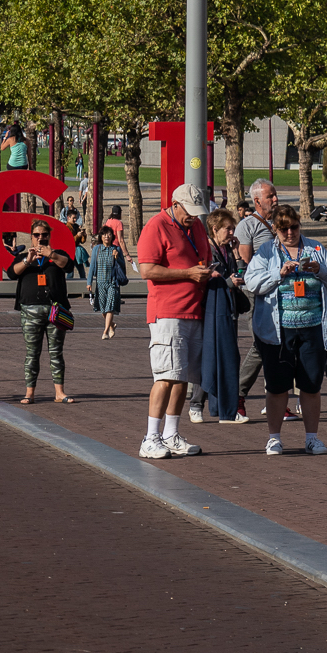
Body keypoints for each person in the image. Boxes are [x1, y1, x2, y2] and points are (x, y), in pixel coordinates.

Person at [244, 204, 327, 456]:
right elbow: (251, 282)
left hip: (312, 329)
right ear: (276, 229)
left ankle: (312, 438)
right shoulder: (266, 251)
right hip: (278, 331)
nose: (290, 233)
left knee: (311, 385)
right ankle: (274, 438)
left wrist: (319, 270)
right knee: (277, 386)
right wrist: (279, 273)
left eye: (294, 227)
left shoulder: (316, 248)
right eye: (284, 229)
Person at [133, 182, 215, 459]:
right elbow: (147, 270)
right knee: (166, 376)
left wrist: (207, 273)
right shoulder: (156, 226)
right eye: (188, 211)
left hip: (194, 310)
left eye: (197, 211)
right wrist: (188, 274)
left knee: (183, 378)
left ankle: (171, 434)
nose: (193, 216)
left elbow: (203, 259)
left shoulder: (197, 227)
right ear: (175, 204)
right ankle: (150, 437)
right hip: (167, 312)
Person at [188, 209, 247, 425]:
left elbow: (241, 273)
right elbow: (207, 279)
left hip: (228, 309)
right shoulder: (208, 250)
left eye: (233, 228)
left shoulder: (228, 250)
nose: (232, 233)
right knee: (207, 355)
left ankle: (223, 405)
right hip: (210, 309)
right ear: (214, 229)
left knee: (227, 355)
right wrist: (229, 282)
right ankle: (196, 403)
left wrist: (238, 255)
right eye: (228, 229)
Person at [8, 219, 75, 405]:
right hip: (30, 310)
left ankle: (59, 393)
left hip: (55, 310)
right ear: (31, 237)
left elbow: (69, 266)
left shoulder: (57, 255)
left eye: (44, 235)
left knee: (56, 353)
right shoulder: (24, 256)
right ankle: (29, 393)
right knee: (32, 354)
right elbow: (12, 273)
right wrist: (27, 261)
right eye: (36, 235)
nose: (40, 238)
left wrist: (51, 254)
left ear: (49, 236)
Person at [234, 179, 280, 418]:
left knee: (281, 343)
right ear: (257, 201)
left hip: (280, 291)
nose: (275, 199)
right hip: (257, 293)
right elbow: (247, 265)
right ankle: (237, 394)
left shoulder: (279, 223)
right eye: (270, 196)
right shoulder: (247, 226)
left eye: (275, 195)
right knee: (261, 345)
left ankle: (278, 400)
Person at [88, 224, 125, 338]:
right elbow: (92, 266)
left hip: (112, 282)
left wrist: (117, 258)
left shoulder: (116, 249)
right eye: (104, 234)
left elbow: (123, 267)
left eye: (109, 234)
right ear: (101, 236)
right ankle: (111, 325)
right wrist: (89, 282)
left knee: (110, 306)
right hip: (100, 282)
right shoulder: (97, 249)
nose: (106, 237)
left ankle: (105, 332)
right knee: (103, 308)